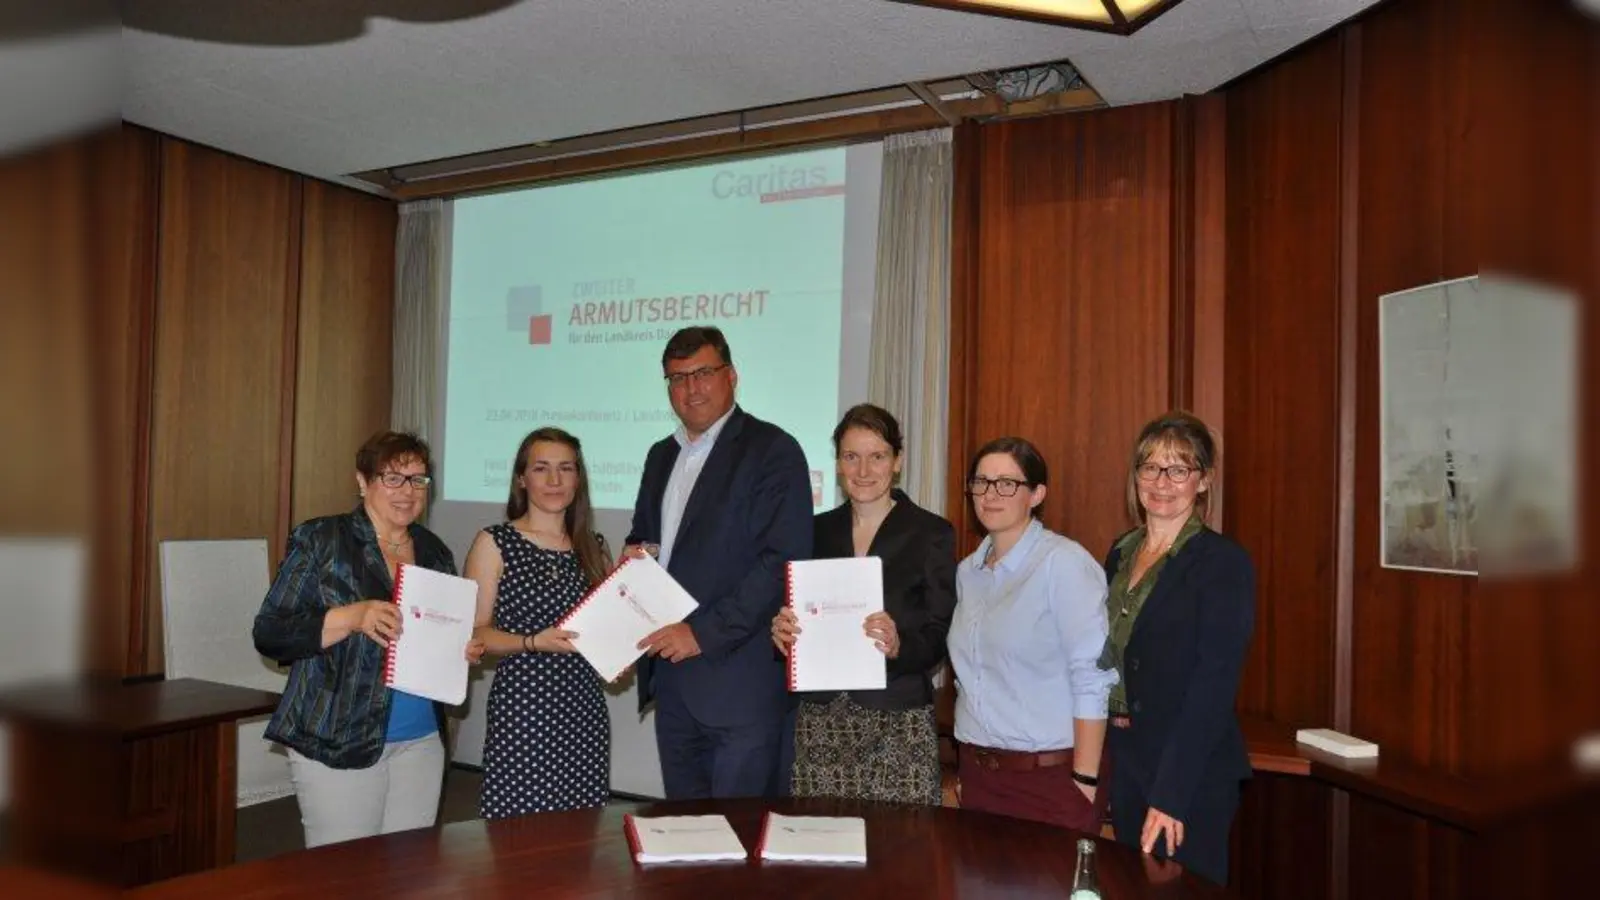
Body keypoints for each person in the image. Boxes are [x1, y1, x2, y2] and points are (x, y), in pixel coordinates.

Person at [253, 431, 485, 849]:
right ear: (362, 481)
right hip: (337, 736)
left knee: (409, 874)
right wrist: (352, 616)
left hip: (421, 740)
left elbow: (437, 633)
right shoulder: (322, 539)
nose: (407, 491)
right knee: (345, 877)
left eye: (418, 480)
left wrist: (459, 650)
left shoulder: (434, 551)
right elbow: (271, 633)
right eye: (392, 478)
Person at [624, 325, 813, 799]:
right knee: (686, 841)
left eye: (703, 373)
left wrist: (701, 634)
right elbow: (645, 538)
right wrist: (635, 557)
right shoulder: (660, 456)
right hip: (672, 684)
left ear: (731, 376)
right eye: (677, 378)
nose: (691, 388)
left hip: (741, 686)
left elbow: (780, 561)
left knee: (741, 847)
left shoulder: (773, 451)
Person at [770, 403, 957, 805]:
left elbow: (939, 635)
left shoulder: (931, 533)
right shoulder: (814, 531)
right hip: (821, 721)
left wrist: (899, 644)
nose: (864, 471)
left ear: (897, 461)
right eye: (851, 457)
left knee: (900, 853)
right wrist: (783, 632)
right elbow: (797, 615)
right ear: (838, 463)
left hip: (897, 719)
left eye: (877, 456)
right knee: (823, 852)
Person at [1101, 412, 1255, 886]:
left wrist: (1171, 794)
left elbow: (1214, 687)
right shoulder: (1120, 552)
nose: (1161, 482)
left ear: (1203, 481)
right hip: (1125, 757)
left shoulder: (1223, 563)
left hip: (1188, 773)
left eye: (1179, 469)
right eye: (1150, 467)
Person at [946, 436, 1114, 833]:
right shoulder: (968, 572)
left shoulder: (1064, 564)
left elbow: (1093, 676)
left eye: (1008, 483)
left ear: (1037, 494)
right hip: (979, 776)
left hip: (1050, 780)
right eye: (981, 482)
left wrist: (1085, 782)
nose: (990, 494)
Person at [463, 427, 613, 819]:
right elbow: (475, 633)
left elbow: (610, 633)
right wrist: (532, 642)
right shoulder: (494, 542)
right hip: (524, 708)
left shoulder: (594, 547)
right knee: (518, 836)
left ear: (578, 480)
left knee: (581, 835)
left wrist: (619, 655)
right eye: (541, 468)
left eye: (566, 468)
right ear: (521, 478)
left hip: (583, 710)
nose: (554, 480)